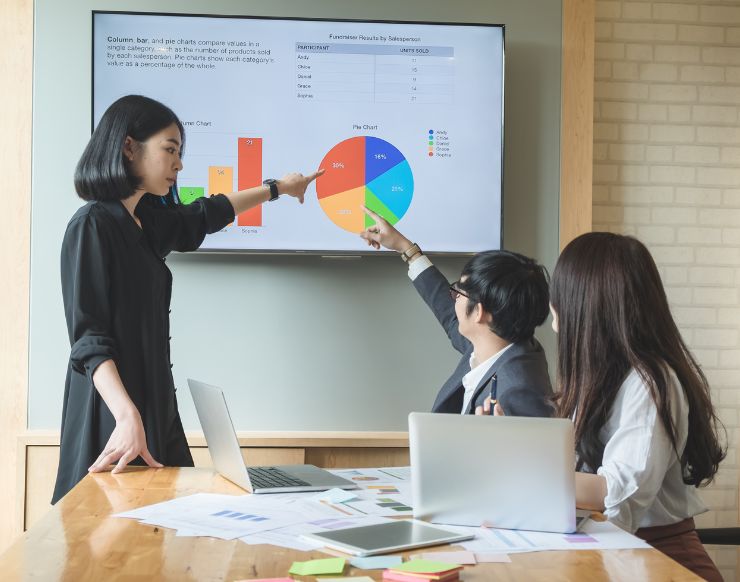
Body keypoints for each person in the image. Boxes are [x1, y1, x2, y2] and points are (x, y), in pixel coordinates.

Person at [52, 95, 322, 503]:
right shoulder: (92, 225)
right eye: (170, 150)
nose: (179, 164)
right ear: (128, 146)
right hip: (113, 412)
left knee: (167, 531)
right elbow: (89, 339)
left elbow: (206, 214)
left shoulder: (147, 222)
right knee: (105, 544)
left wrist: (278, 188)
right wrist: (126, 416)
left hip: (154, 405)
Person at [482, 232, 725, 581]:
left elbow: (619, 491)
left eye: (559, 302)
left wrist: (521, 470)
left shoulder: (650, 382)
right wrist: (513, 446)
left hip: (661, 560)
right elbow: (582, 473)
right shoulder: (599, 377)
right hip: (614, 548)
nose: (554, 319)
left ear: (585, 305)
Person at [360, 207, 553, 417]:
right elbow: (449, 313)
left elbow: (529, 449)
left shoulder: (518, 391)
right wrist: (405, 248)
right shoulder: (498, 343)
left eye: (458, 292)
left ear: (479, 312)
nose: (454, 298)